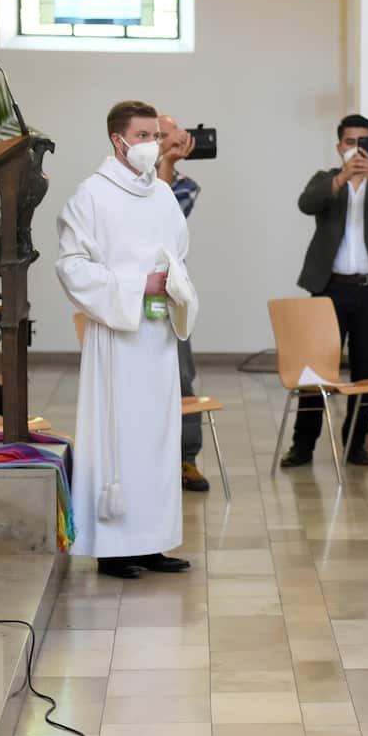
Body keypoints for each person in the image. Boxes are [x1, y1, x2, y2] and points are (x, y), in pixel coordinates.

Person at [55, 100, 197, 579]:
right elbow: (72, 267)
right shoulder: (91, 196)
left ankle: (152, 541)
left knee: (156, 439)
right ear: (118, 140)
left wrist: (171, 280)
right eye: (142, 136)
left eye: (155, 135)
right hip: (117, 337)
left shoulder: (159, 194)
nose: (151, 145)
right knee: (117, 439)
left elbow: (178, 252)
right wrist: (137, 286)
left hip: (156, 337)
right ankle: (113, 548)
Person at [280, 115, 368, 468]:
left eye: (364, 142)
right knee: (316, 369)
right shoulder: (327, 180)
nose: (356, 148)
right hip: (329, 289)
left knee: (366, 368)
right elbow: (305, 204)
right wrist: (343, 177)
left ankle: (355, 443)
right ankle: (302, 445)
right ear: (339, 146)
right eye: (350, 142)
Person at [155, 114, 208, 492]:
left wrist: (168, 165)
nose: (159, 140)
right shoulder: (121, 185)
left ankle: (187, 459)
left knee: (182, 377)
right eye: (150, 135)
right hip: (130, 295)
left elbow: (162, 221)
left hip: (170, 299)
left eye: (163, 134)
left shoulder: (185, 186)